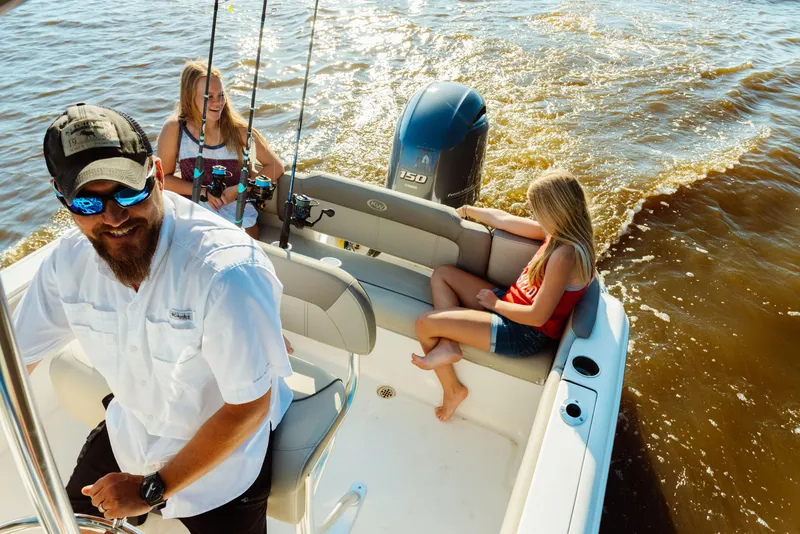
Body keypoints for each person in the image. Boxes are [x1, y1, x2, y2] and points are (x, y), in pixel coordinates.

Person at [13, 103, 293, 533]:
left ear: (158, 175)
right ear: (62, 199)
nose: (113, 216)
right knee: (70, 527)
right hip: (134, 431)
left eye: (129, 191)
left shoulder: (226, 273)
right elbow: (13, 359)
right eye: (88, 201)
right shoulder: (65, 264)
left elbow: (249, 407)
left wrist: (150, 490)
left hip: (224, 462)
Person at [411, 169, 596, 422]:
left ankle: (453, 390)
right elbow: (504, 220)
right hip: (509, 305)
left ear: (555, 210)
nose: (534, 216)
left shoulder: (566, 255)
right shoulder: (558, 234)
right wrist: (467, 211)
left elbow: (537, 316)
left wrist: (495, 304)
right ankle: (449, 345)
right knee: (443, 274)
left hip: (523, 333)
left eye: (537, 210)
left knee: (425, 324)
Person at [157, 59, 284, 239]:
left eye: (221, 95)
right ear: (189, 97)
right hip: (196, 211)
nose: (218, 103)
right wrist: (202, 191)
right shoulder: (174, 129)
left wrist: (240, 188)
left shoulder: (239, 131)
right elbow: (163, 179)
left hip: (239, 212)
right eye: (209, 97)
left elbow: (275, 166)